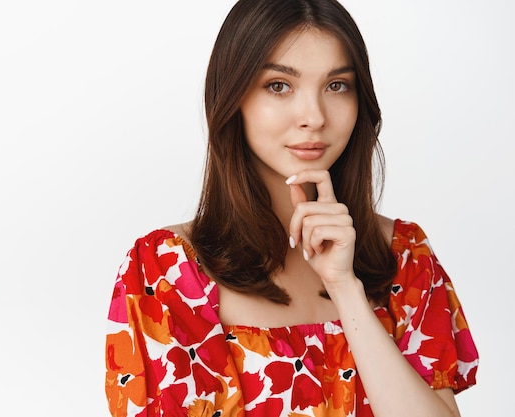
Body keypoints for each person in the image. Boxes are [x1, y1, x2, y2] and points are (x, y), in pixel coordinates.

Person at [104, 0, 479, 416]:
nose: (314, 117)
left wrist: (346, 290)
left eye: (337, 85)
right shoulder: (168, 271)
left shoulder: (406, 256)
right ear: (232, 97)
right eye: (279, 86)